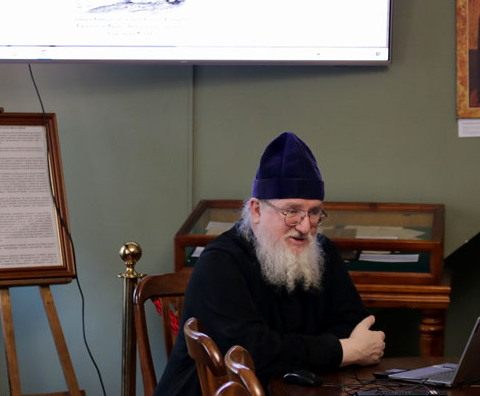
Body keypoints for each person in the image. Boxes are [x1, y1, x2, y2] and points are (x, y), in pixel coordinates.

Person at [154, 132, 385, 395]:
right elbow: (251, 353)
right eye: (292, 211)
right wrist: (343, 350)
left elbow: (361, 328)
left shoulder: (323, 252)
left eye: (314, 212)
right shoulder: (219, 263)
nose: (305, 226)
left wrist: (294, 351)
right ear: (256, 210)